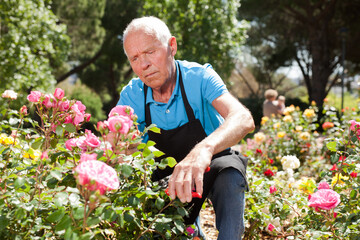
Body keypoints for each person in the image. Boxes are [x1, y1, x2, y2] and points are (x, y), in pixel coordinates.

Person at [117, 16, 254, 240]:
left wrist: (204, 149)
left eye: (150, 52)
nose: (143, 65)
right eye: (135, 58)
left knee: (230, 172)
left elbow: (243, 118)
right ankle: (192, 230)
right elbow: (113, 147)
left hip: (211, 168)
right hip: (162, 182)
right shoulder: (132, 95)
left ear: (172, 46)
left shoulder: (199, 78)